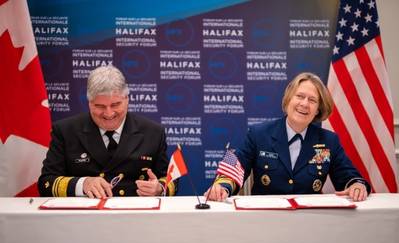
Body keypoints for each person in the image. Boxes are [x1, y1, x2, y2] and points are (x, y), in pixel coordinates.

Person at [205, 72, 370, 202]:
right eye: (299, 96)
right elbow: (236, 166)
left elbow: (349, 176)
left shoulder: (328, 141)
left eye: (312, 100)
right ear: (288, 99)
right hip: (265, 220)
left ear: (318, 109)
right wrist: (222, 187)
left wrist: (356, 185)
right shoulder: (258, 134)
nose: (304, 104)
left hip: (310, 221)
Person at [38, 65, 177, 198]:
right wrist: (82, 184)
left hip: (135, 217)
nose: (108, 113)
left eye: (115, 105)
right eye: (100, 106)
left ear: (127, 99)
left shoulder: (153, 132)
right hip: (83, 218)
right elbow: (46, 183)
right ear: (89, 102)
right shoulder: (65, 131)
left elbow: (170, 179)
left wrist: (159, 188)